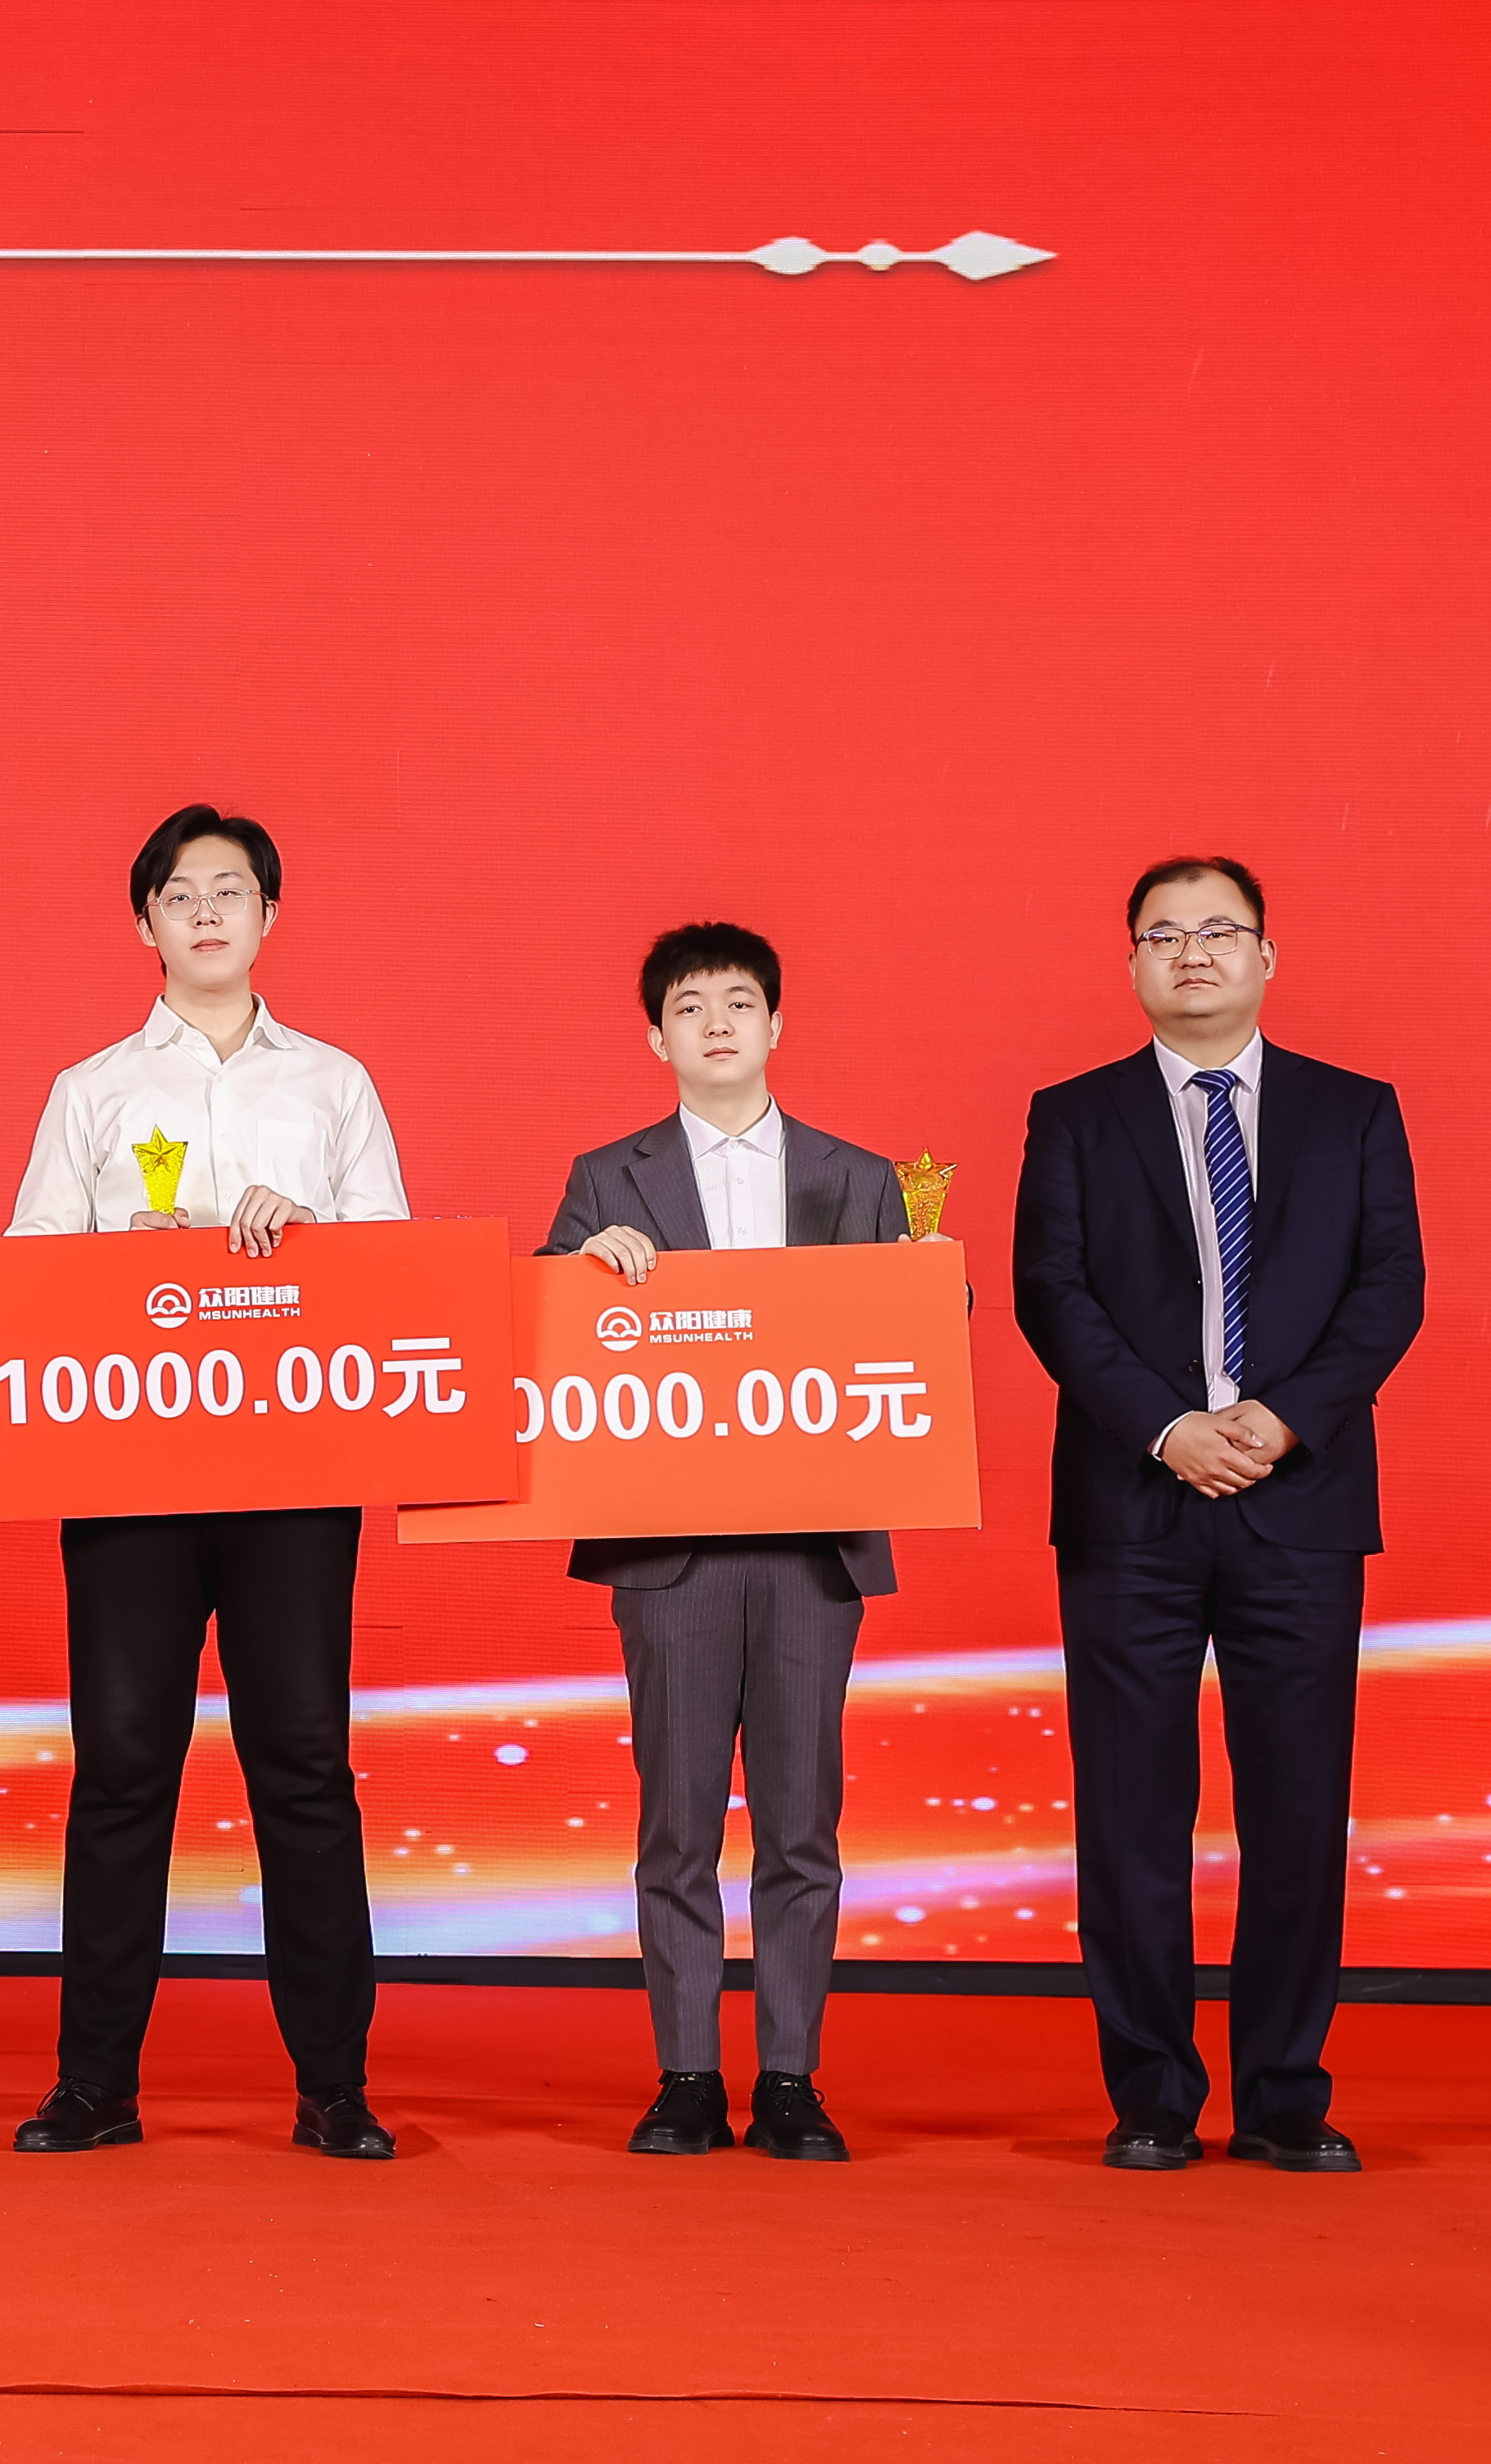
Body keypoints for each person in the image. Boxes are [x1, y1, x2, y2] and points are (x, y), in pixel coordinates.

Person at [2, 805, 404, 2162]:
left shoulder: (335, 1084)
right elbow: (26, 1271)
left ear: (270, 915)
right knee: (123, 1771)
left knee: (305, 1766)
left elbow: (397, 1268)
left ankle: (335, 2086)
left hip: (295, 1477)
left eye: (233, 891)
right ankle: (95, 2086)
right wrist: (128, 1256)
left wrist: (314, 1234)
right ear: (147, 924)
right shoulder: (92, 1090)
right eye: (183, 894)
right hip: (132, 1480)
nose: (210, 913)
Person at [1012, 857, 1421, 2176]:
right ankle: (1151, 2093)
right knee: (1130, 1812)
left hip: (1300, 1504)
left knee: (1298, 1808)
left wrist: (1280, 1420)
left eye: (1219, 931)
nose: (1193, 953)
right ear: (1132, 964)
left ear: (1266, 957)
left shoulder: (1355, 1112)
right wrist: (1168, 1426)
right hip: (1131, 1505)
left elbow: (1390, 1290)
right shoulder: (1074, 1116)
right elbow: (1051, 1294)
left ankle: (1285, 2093)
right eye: (1164, 935)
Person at [542, 923, 909, 2165]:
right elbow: (542, 1327)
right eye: (689, 1007)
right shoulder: (607, 1178)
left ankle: (792, 2078)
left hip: (813, 1547)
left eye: (739, 1003)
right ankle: (688, 2074)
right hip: (673, 1551)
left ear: (776, 1025)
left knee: (804, 1823)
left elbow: (916, 1343)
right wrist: (580, 1268)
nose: (715, 1024)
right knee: (679, 1821)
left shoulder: (863, 1178)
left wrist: (931, 1284)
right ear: (656, 1036)